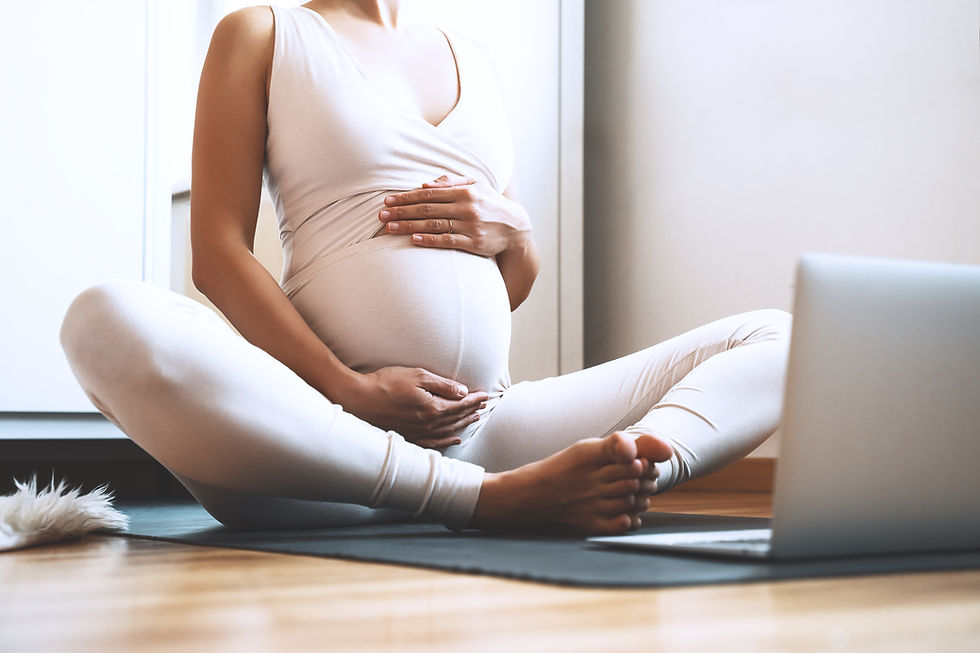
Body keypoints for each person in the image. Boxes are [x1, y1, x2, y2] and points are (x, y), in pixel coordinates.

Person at [60, 1, 791, 534]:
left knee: (781, 336)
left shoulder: (472, 59)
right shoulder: (261, 33)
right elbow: (218, 255)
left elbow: (508, 278)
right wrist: (347, 387)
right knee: (101, 318)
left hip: (489, 432)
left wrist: (519, 231)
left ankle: (623, 476)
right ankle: (482, 503)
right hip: (319, 444)